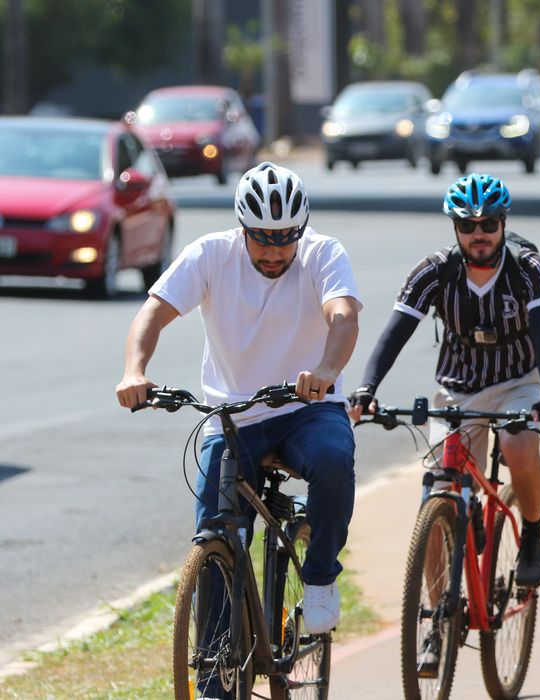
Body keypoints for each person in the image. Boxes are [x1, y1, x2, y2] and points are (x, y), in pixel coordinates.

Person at [115, 163, 361, 654]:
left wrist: (328, 371)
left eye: (286, 238)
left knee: (335, 459)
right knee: (216, 540)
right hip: (232, 416)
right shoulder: (210, 254)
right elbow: (154, 312)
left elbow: (344, 315)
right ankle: (214, 674)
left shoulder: (324, 254)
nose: (275, 251)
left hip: (306, 407)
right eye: (263, 239)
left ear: (302, 228)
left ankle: (318, 578)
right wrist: (134, 371)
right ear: (242, 229)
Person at [347, 172, 540, 591]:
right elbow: (394, 333)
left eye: (489, 224)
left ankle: (533, 535)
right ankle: (431, 619)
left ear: (503, 223)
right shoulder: (434, 272)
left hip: (518, 381)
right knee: (439, 491)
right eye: (468, 226)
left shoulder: (530, 270)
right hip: (456, 387)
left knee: (518, 446)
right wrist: (367, 389)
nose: (479, 234)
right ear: (455, 228)